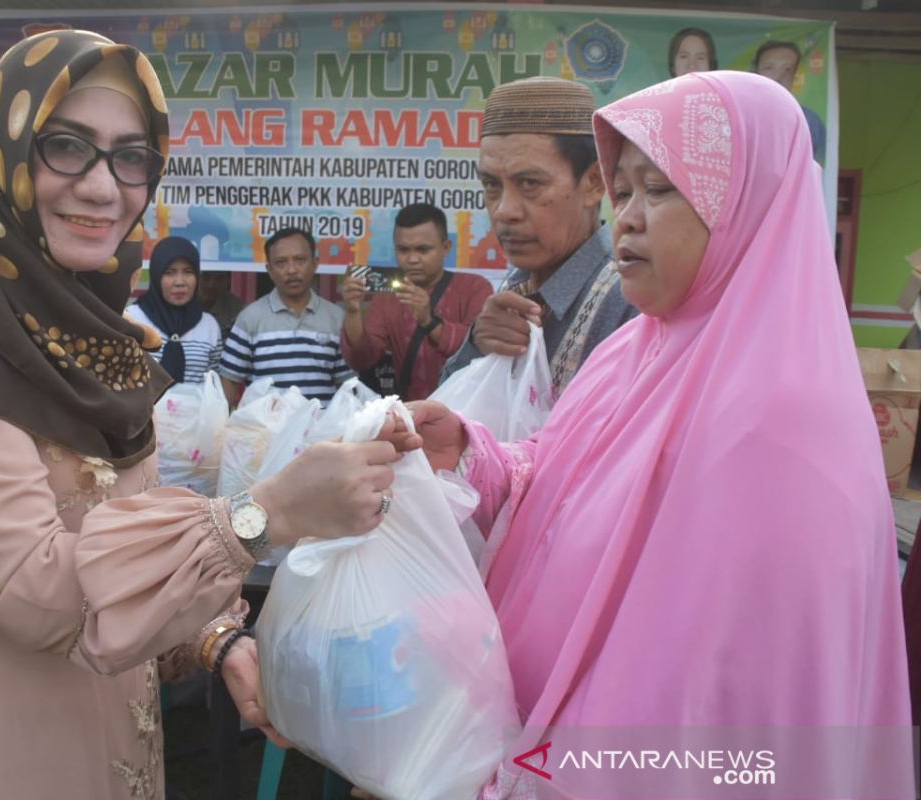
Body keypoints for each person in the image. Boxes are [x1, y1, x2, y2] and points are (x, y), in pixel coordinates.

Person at [0, 31, 399, 800]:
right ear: (2, 149)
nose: (105, 188)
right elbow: (35, 589)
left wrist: (212, 637)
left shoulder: (94, 331)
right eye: (65, 146)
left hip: (110, 724)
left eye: (131, 156)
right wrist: (261, 516)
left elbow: (119, 522)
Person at [390, 71, 910, 798]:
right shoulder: (637, 351)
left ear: (748, 209)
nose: (628, 218)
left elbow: (708, 705)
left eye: (659, 190)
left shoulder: (782, 417)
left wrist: (534, 777)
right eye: (624, 188)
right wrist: (476, 458)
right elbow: (563, 477)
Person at [440, 77, 636, 397]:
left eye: (530, 183)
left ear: (595, 183)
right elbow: (449, 411)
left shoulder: (630, 299)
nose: (504, 211)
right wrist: (477, 345)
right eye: (491, 185)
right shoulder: (517, 284)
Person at [341, 202, 492, 400]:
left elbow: (480, 350)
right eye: (403, 250)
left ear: (446, 248)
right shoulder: (387, 298)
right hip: (412, 416)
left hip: (466, 411)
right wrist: (352, 312)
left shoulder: (475, 287)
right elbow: (363, 359)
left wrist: (429, 321)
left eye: (423, 250)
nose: (412, 259)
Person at [219, 226, 354, 406]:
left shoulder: (336, 318)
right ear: (269, 270)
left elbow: (347, 386)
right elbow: (229, 380)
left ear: (315, 263)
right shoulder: (250, 318)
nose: (291, 270)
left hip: (322, 431)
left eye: (300, 260)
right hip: (265, 431)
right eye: (281, 262)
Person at [126, 236, 221, 384]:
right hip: (143, 407)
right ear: (156, 275)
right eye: (170, 272)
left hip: (196, 407)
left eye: (188, 272)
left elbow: (214, 384)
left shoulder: (209, 325)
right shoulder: (133, 319)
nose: (180, 282)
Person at [754, 40, 825, 163]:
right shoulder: (740, 117)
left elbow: (819, 168)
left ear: (796, 75)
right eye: (769, 67)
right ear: (756, 73)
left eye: (787, 69)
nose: (778, 76)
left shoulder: (810, 122)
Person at [198, 268, 244, 339]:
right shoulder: (181, 304)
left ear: (228, 280)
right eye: (206, 276)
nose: (211, 285)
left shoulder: (237, 309)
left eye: (219, 278)